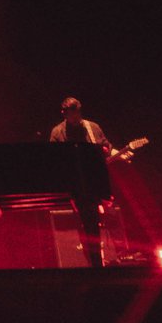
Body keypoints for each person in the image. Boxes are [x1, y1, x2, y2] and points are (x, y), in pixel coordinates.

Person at [50, 97, 121, 268]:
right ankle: (95, 263)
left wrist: (119, 152)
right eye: (71, 114)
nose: (75, 118)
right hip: (76, 185)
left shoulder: (92, 127)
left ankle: (104, 260)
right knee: (87, 223)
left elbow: (106, 147)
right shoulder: (57, 132)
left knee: (99, 221)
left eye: (77, 113)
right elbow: (53, 159)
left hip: (96, 182)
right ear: (64, 114)